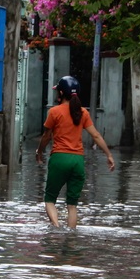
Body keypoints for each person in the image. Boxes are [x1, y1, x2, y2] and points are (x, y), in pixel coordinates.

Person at [36, 75, 115, 228]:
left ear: (60, 94)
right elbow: (96, 135)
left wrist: (39, 152)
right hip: (78, 161)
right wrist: (109, 155)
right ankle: (71, 238)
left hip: (59, 159)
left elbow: (46, 137)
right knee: (72, 205)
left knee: (50, 200)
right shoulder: (83, 113)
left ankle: (57, 228)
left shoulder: (54, 112)